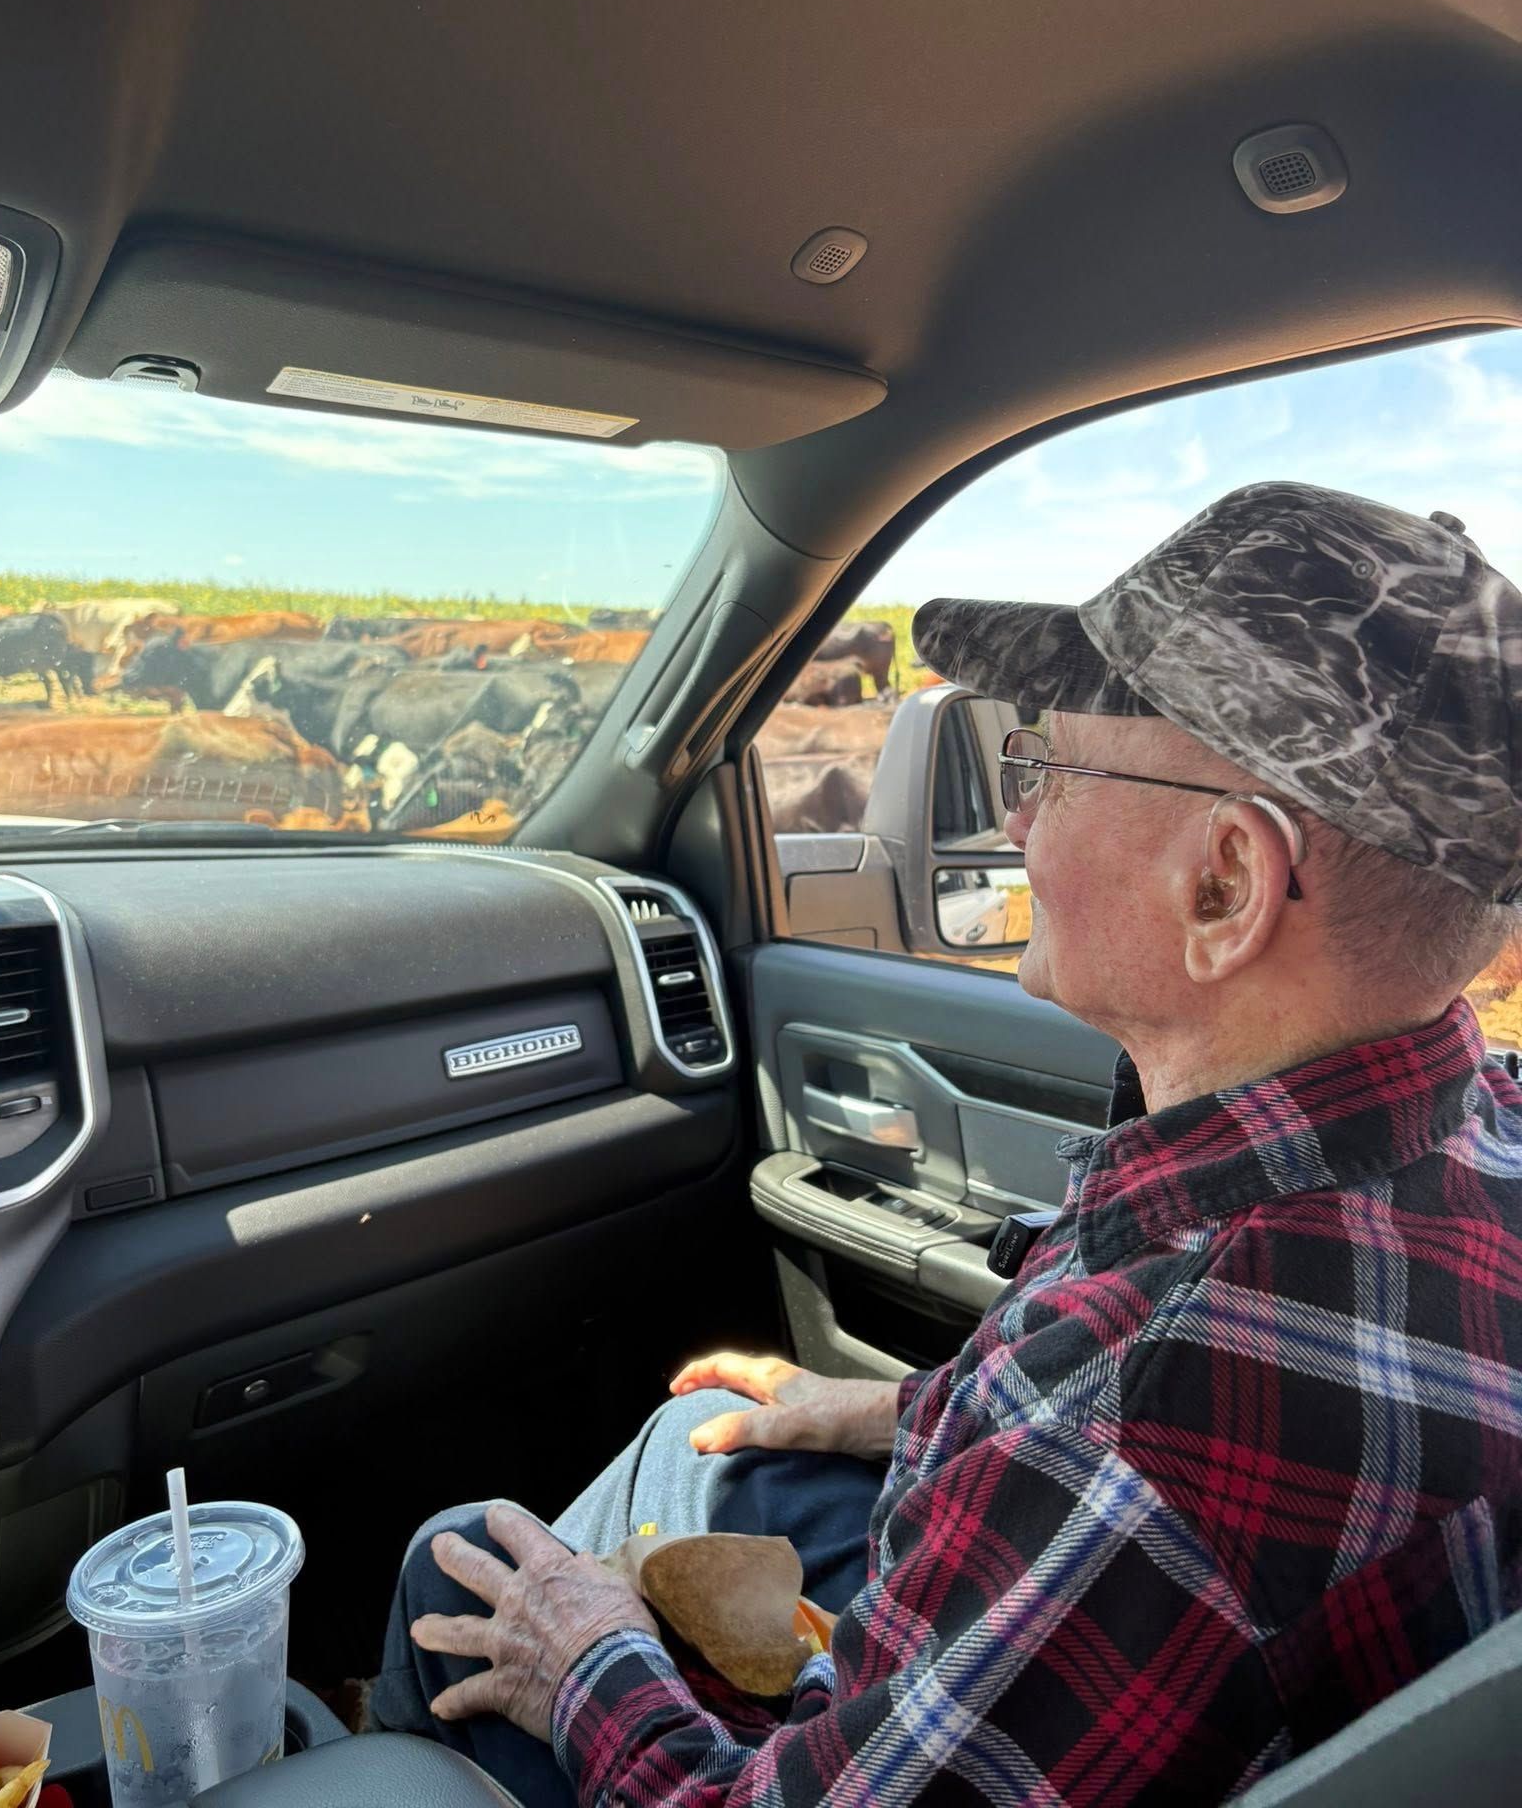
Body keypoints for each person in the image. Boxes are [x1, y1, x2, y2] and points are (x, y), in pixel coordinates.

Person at [375, 481, 1522, 1805]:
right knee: (710, 1442)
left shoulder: (1152, 1417)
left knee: (455, 1568)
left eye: (1044, 767)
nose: (1017, 821)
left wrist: (586, 1659)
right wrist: (886, 1411)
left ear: (1222, 886)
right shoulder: (1471, 1137)